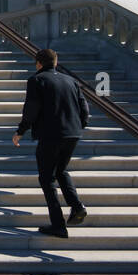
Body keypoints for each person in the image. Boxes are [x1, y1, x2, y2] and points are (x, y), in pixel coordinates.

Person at [13, 47, 91, 238]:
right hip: (72, 133)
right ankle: (76, 206)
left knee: (47, 179)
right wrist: (78, 126)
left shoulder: (36, 80)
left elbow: (31, 109)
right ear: (55, 62)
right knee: (61, 171)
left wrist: (20, 131)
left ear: (38, 63)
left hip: (50, 135)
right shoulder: (71, 80)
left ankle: (58, 224)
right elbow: (85, 109)